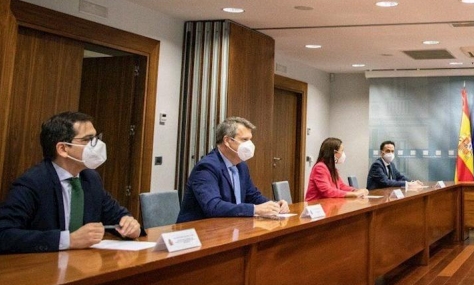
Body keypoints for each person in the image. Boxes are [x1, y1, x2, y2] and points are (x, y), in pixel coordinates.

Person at [0, 111, 142, 254]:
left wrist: (129, 225)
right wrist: (68, 240)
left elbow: (116, 216)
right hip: (42, 268)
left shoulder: (90, 178)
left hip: (83, 264)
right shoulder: (33, 182)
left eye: (96, 138)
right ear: (63, 149)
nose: (97, 145)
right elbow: (4, 234)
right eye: (88, 139)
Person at [177, 117, 288, 223]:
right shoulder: (207, 167)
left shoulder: (241, 166)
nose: (250, 144)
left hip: (231, 227)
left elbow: (252, 195)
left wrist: (274, 205)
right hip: (199, 232)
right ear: (227, 140)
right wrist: (255, 209)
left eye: (250, 140)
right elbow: (213, 206)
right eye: (245, 139)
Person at [306, 137, 369, 202]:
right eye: (342, 150)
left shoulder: (332, 169)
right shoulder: (320, 167)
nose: (343, 154)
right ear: (334, 152)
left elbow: (341, 186)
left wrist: (355, 190)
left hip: (329, 205)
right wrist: (354, 194)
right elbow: (327, 191)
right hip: (316, 206)